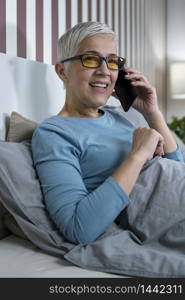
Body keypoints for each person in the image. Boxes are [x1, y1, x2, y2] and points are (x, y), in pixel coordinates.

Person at [31, 21, 184, 245]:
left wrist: (152, 112)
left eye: (112, 61)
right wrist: (137, 155)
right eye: (91, 59)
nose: (104, 71)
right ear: (62, 71)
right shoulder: (54, 133)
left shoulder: (124, 116)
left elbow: (176, 168)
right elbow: (79, 228)